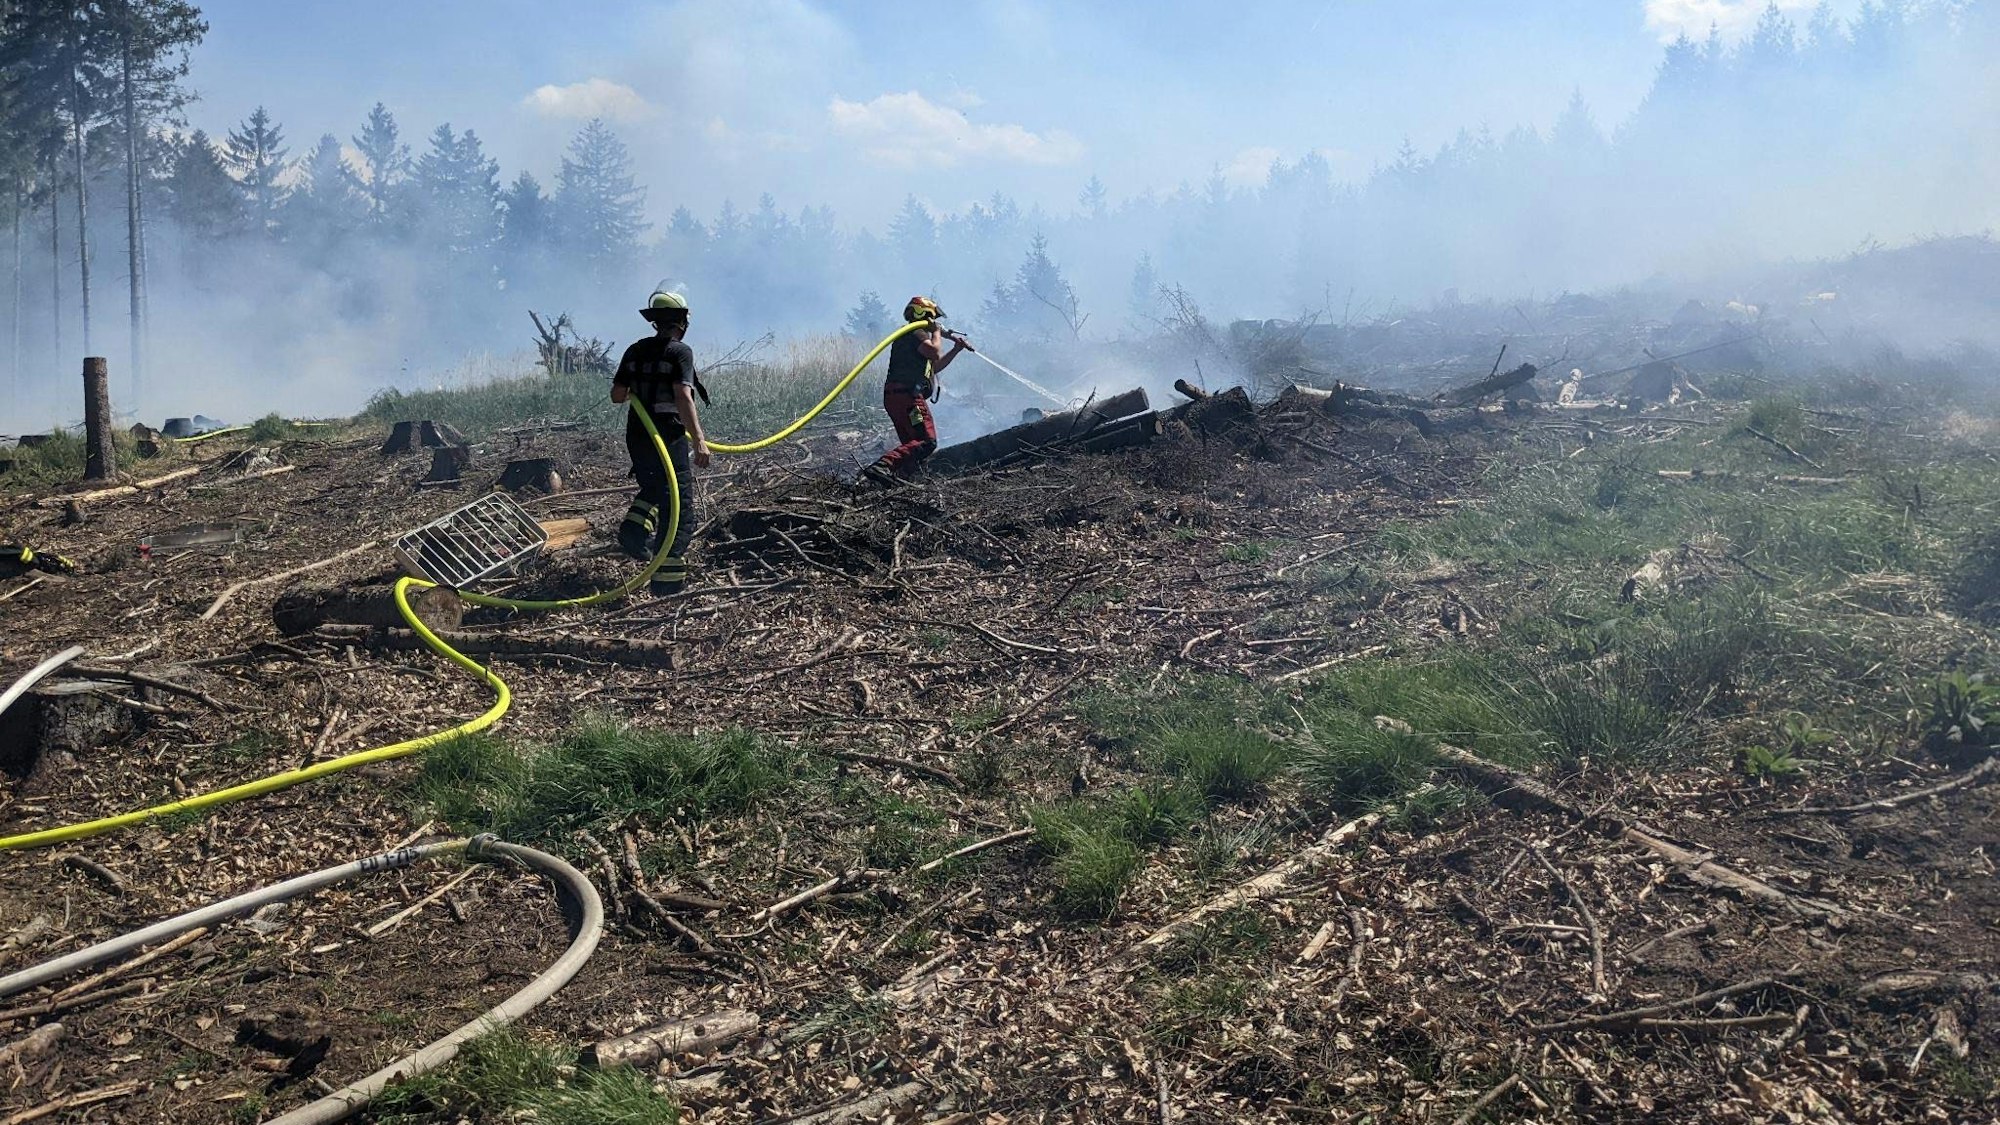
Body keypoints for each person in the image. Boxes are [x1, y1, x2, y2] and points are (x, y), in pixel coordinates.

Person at [611, 286, 711, 596]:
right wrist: (699, 440)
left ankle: (633, 531)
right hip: (667, 434)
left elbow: (617, 395)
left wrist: (641, 387)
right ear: (682, 322)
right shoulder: (680, 352)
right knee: (679, 507)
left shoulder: (635, 350)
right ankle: (667, 587)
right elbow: (683, 396)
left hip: (638, 433)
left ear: (656, 321)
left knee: (654, 487)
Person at [862, 296, 972, 484]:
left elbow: (933, 368)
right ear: (923, 314)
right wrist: (936, 332)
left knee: (913, 447)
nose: (935, 323)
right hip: (908, 398)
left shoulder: (912, 338)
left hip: (896, 398)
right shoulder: (916, 333)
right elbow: (934, 352)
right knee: (927, 441)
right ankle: (883, 465)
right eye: (933, 318)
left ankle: (898, 479)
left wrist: (956, 350)